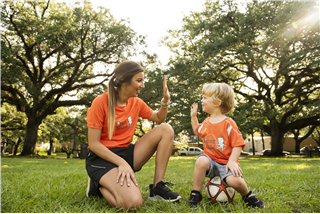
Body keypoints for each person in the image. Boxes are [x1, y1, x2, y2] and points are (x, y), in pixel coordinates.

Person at [85, 61, 181, 210]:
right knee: (133, 203)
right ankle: (98, 185)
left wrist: (165, 102)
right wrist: (121, 163)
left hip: (126, 152)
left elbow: (159, 119)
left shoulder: (136, 103)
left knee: (166, 129)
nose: (142, 85)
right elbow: (94, 144)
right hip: (101, 159)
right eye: (139, 80)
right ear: (124, 81)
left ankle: (157, 187)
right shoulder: (100, 102)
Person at [188, 83, 263, 209]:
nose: (202, 100)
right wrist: (193, 117)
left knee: (235, 181)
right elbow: (197, 131)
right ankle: (196, 194)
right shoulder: (206, 122)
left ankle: (248, 196)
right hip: (210, 160)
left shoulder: (228, 123)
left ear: (217, 103)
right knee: (201, 160)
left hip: (226, 163)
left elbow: (238, 144)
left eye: (205, 97)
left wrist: (232, 161)